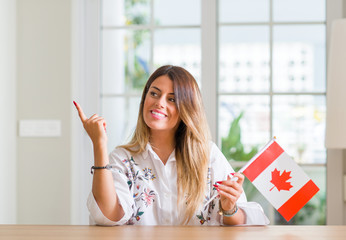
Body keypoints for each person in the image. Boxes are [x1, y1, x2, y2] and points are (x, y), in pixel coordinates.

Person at [74, 65, 269, 226]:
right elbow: (107, 217)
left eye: (172, 99)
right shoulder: (123, 158)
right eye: (154, 93)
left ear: (187, 109)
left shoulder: (207, 155)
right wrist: (99, 144)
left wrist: (229, 209)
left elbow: (243, 220)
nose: (159, 103)